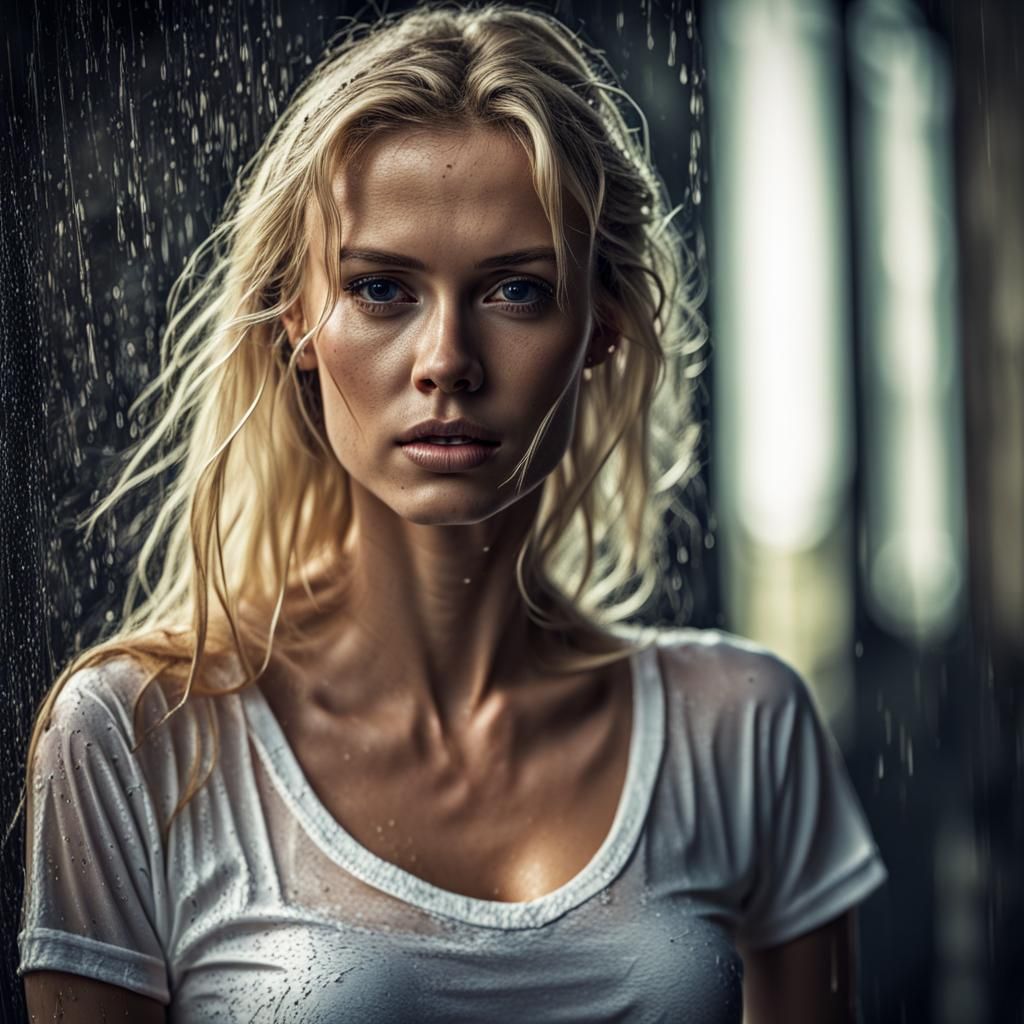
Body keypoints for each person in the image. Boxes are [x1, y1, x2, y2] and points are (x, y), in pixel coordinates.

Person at [17, 4, 887, 1021]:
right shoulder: (134, 734)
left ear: (602, 325)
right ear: (297, 319)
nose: (446, 362)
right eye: (382, 289)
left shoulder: (743, 725)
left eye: (516, 290)